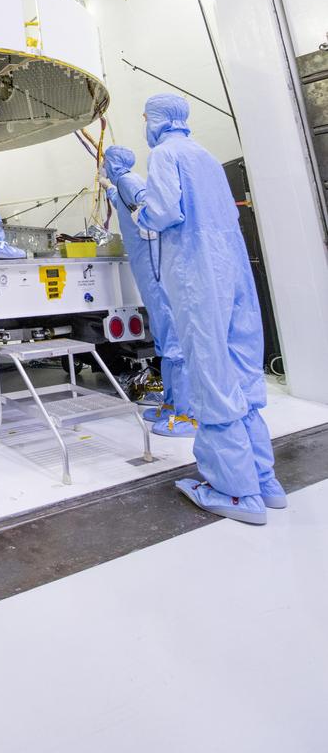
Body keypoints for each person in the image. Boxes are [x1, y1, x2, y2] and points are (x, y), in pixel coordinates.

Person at [136, 94, 285, 525]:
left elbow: (163, 212)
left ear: (159, 120)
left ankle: (234, 492)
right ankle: (264, 480)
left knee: (211, 376)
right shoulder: (205, 155)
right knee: (242, 373)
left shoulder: (164, 154)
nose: (145, 123)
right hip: (234, 271)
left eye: (146, 117)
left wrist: (141, 210)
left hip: (198, 276)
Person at [99, 145, 196, 438]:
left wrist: (146, 221)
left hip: (155, 269)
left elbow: (147, 207)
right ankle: (169, 405)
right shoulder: (122, 185)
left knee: (173, 341)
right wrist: (107, 189)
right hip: (147, 270)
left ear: (114, 163)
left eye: (105, 164)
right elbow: (123, 202)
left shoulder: (130, 181)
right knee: (164, 341)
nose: (103, 168)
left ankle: (188, 414)